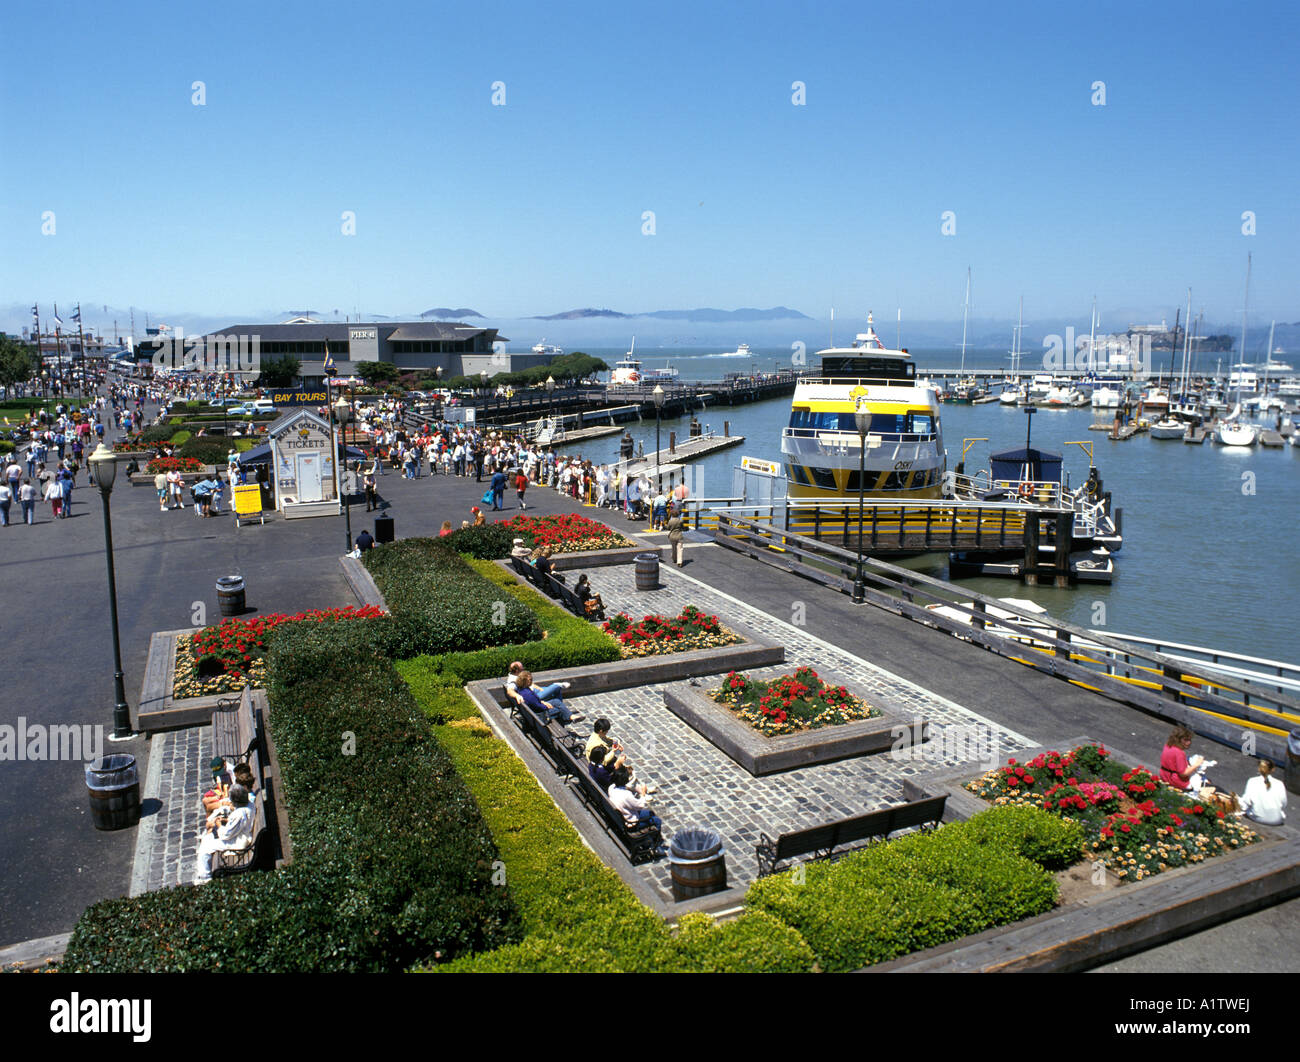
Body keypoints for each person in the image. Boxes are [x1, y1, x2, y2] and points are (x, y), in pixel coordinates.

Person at [193, 783, 255, 883]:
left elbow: (226, 835)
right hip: (239, 834)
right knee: (207, 839)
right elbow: (235, 826)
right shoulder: (249, 804)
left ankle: (205, 878)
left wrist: (219, 825)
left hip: (238, 841)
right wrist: (226, 821)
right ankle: (203, 871)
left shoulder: (240, 814)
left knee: (206, 847)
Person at [514, 668, 583, 724]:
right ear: (524, 681)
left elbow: (536, 702)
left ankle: (571, 716)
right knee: (559, 710)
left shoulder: (521, 688)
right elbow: (538, 706)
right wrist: (546, 706)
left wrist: (543, 702)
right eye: (530, 680)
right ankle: (568, 718)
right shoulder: (527, 694)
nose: (532, 681)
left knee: (556, 701)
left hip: (535, 711)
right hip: (540, 715)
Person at [607, 767, 661, 833]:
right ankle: (656, 838)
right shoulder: (626, 795)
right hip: (630, 823)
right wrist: (643, 793)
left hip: (618, 816)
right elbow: (640, 805)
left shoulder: (611, 788)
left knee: (650, 813)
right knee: (657, 820)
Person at [1237, 759, 1287, 826]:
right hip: (1277, 820)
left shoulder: (1252, 781)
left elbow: (1246, 803)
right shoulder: (1280, 784)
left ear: (1259, 769)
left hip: (1258, 818)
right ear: (1273, 769)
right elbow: (1284, 804)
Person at [1159, 725, 1209, 791]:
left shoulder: (1168, 745)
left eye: (1189, 740)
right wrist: (1197, 764)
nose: (1189, 742)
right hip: (1176, 781)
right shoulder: (1179, 753)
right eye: (1186, 740)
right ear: (1178, 739)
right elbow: (1183, 773)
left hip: (1165, 776)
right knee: (1208, 784)